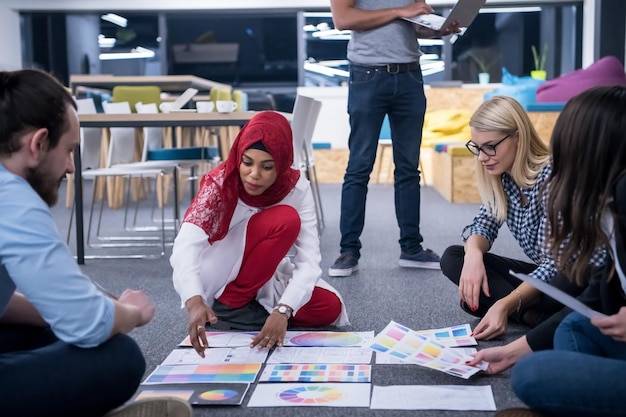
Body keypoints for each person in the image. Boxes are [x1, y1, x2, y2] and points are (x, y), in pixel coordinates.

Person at [0, 69, 191, 417]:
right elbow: (88, 324)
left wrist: (55, 312)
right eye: (69, 150)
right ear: (38, 143)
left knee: (47, 332)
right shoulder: (12, 197)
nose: (71, 168)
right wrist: (132, 312)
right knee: (119, 357)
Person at [171, 111, 350, 356]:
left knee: (329, 307)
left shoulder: (298, 189)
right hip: (220, 273)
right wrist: (193, 300)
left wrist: (283, 311)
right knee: (284, 219)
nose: (254, 174)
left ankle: (255, 315)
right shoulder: (221, 183)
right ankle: (230, 308)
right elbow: (185, 245)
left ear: (283, 162)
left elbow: (309, 261)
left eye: (267, 167)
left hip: (263, 272)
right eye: (247, 163)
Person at [495, 85, 626, 417]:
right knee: (572, 327)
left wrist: (510, 304)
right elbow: (601, 286)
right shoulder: (607, 200)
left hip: (557, 278)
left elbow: (562, 266)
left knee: (531, 375)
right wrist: (512, 351)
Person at [440, 95, 606, 340]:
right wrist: (473, 255)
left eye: (490, 146)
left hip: (577, 274)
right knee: (454, 256)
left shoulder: (554, 176)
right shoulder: (502, 177)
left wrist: (504, 304)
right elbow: (483, 225)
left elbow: (557, 263)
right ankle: (535, 318)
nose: (482, 157)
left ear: (518, 136)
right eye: (477, 147)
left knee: (559, 284)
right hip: (545, 274)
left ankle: (519, 312)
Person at [327, 0, 460, 277]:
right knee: (359, 167)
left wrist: (437, 30)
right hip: (367, 75)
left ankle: (411, 248)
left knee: (409, 168)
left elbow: (412, 26)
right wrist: (401, 10)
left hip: (410, 75)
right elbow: (343, 18)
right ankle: (348, 250)